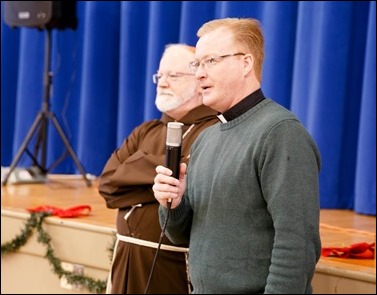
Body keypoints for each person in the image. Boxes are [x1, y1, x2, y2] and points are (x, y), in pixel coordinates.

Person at [153, 18, 322, 294]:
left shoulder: (280, 133)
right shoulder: (207, 138)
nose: (199, 74)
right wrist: (175, 203)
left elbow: (297, 243)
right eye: (197, 64)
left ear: (246, 63)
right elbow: (180, 235)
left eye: (211, 61)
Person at [98, 44, 219, 294]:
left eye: (173, 76)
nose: (162, 83)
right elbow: (109, 186)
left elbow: (196, 187)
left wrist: (136, 167)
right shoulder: (146, 130)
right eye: (160, 76)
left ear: (199, 81)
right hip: (126, 257)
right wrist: (163, 181)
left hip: (175, 267)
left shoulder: (214, 131)